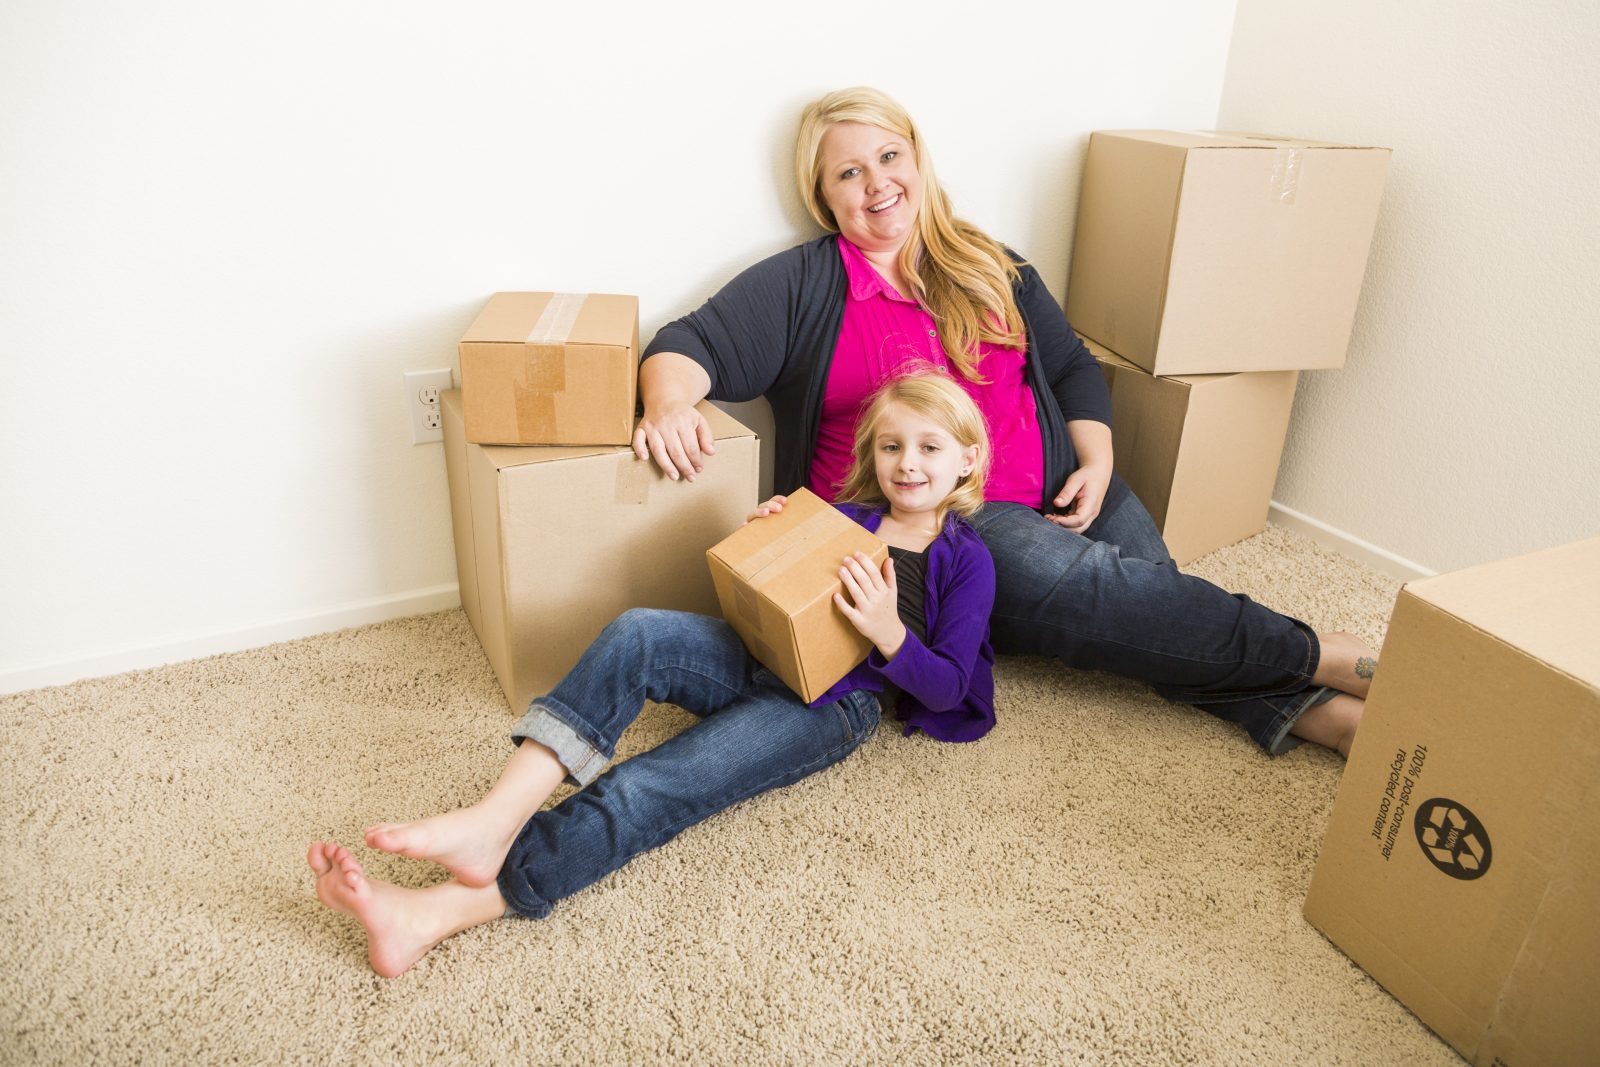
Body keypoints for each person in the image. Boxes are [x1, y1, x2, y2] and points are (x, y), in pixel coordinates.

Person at [631, 86, 1379, 761]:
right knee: (1110, 594)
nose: (877, 182)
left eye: (890, 155)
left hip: (1062, 484)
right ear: (825, 198)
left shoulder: (991, 262)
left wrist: (1097, 461)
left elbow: (1072, 368)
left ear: (919, 160)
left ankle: (1307, 712)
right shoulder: (803, 285)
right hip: (946, 522)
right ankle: (1325, 657)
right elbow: (686, 345)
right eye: (848, 172)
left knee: (1150, 606)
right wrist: (668, 401)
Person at [308, 369, 999, 976]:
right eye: (891, 445)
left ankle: (437, 913)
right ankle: (494, 817)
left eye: (929, 447)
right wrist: (773, 535)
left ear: (968, 458)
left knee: (655, 782)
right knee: (639, 630)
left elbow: (946, 684)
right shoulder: (844, 517)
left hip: (831, 706)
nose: (907, 463)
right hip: (759, 656)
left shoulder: (967, 559)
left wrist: (887, 629)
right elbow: (779, 590)